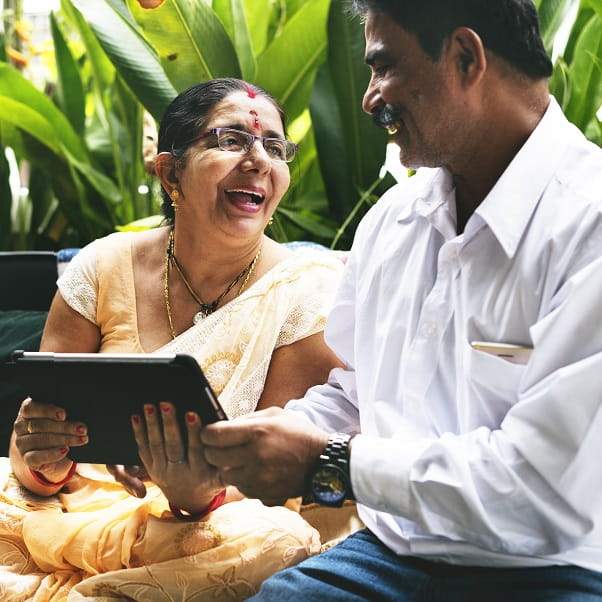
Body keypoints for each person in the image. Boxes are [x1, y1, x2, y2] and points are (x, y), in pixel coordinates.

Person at [199, 2, 602, 600]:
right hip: (390, 553)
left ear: (466, 58)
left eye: (383, 66)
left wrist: (327, 464)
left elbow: (544, 493)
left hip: (553, 568)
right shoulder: (392, 222)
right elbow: (361, 396)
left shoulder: (587, 224)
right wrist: (241, 446)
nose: (369, 98)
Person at [0, 78, 346, 600]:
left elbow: (282, 475)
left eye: (275, 148)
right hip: (73, 515)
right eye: (230, 140)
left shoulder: (309, 289)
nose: (259, 160)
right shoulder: (101, 267)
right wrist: (41, 460)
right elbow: (31, 450)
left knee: (274, 546)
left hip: (208, 527)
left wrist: (197, 496)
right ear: (170, 172)